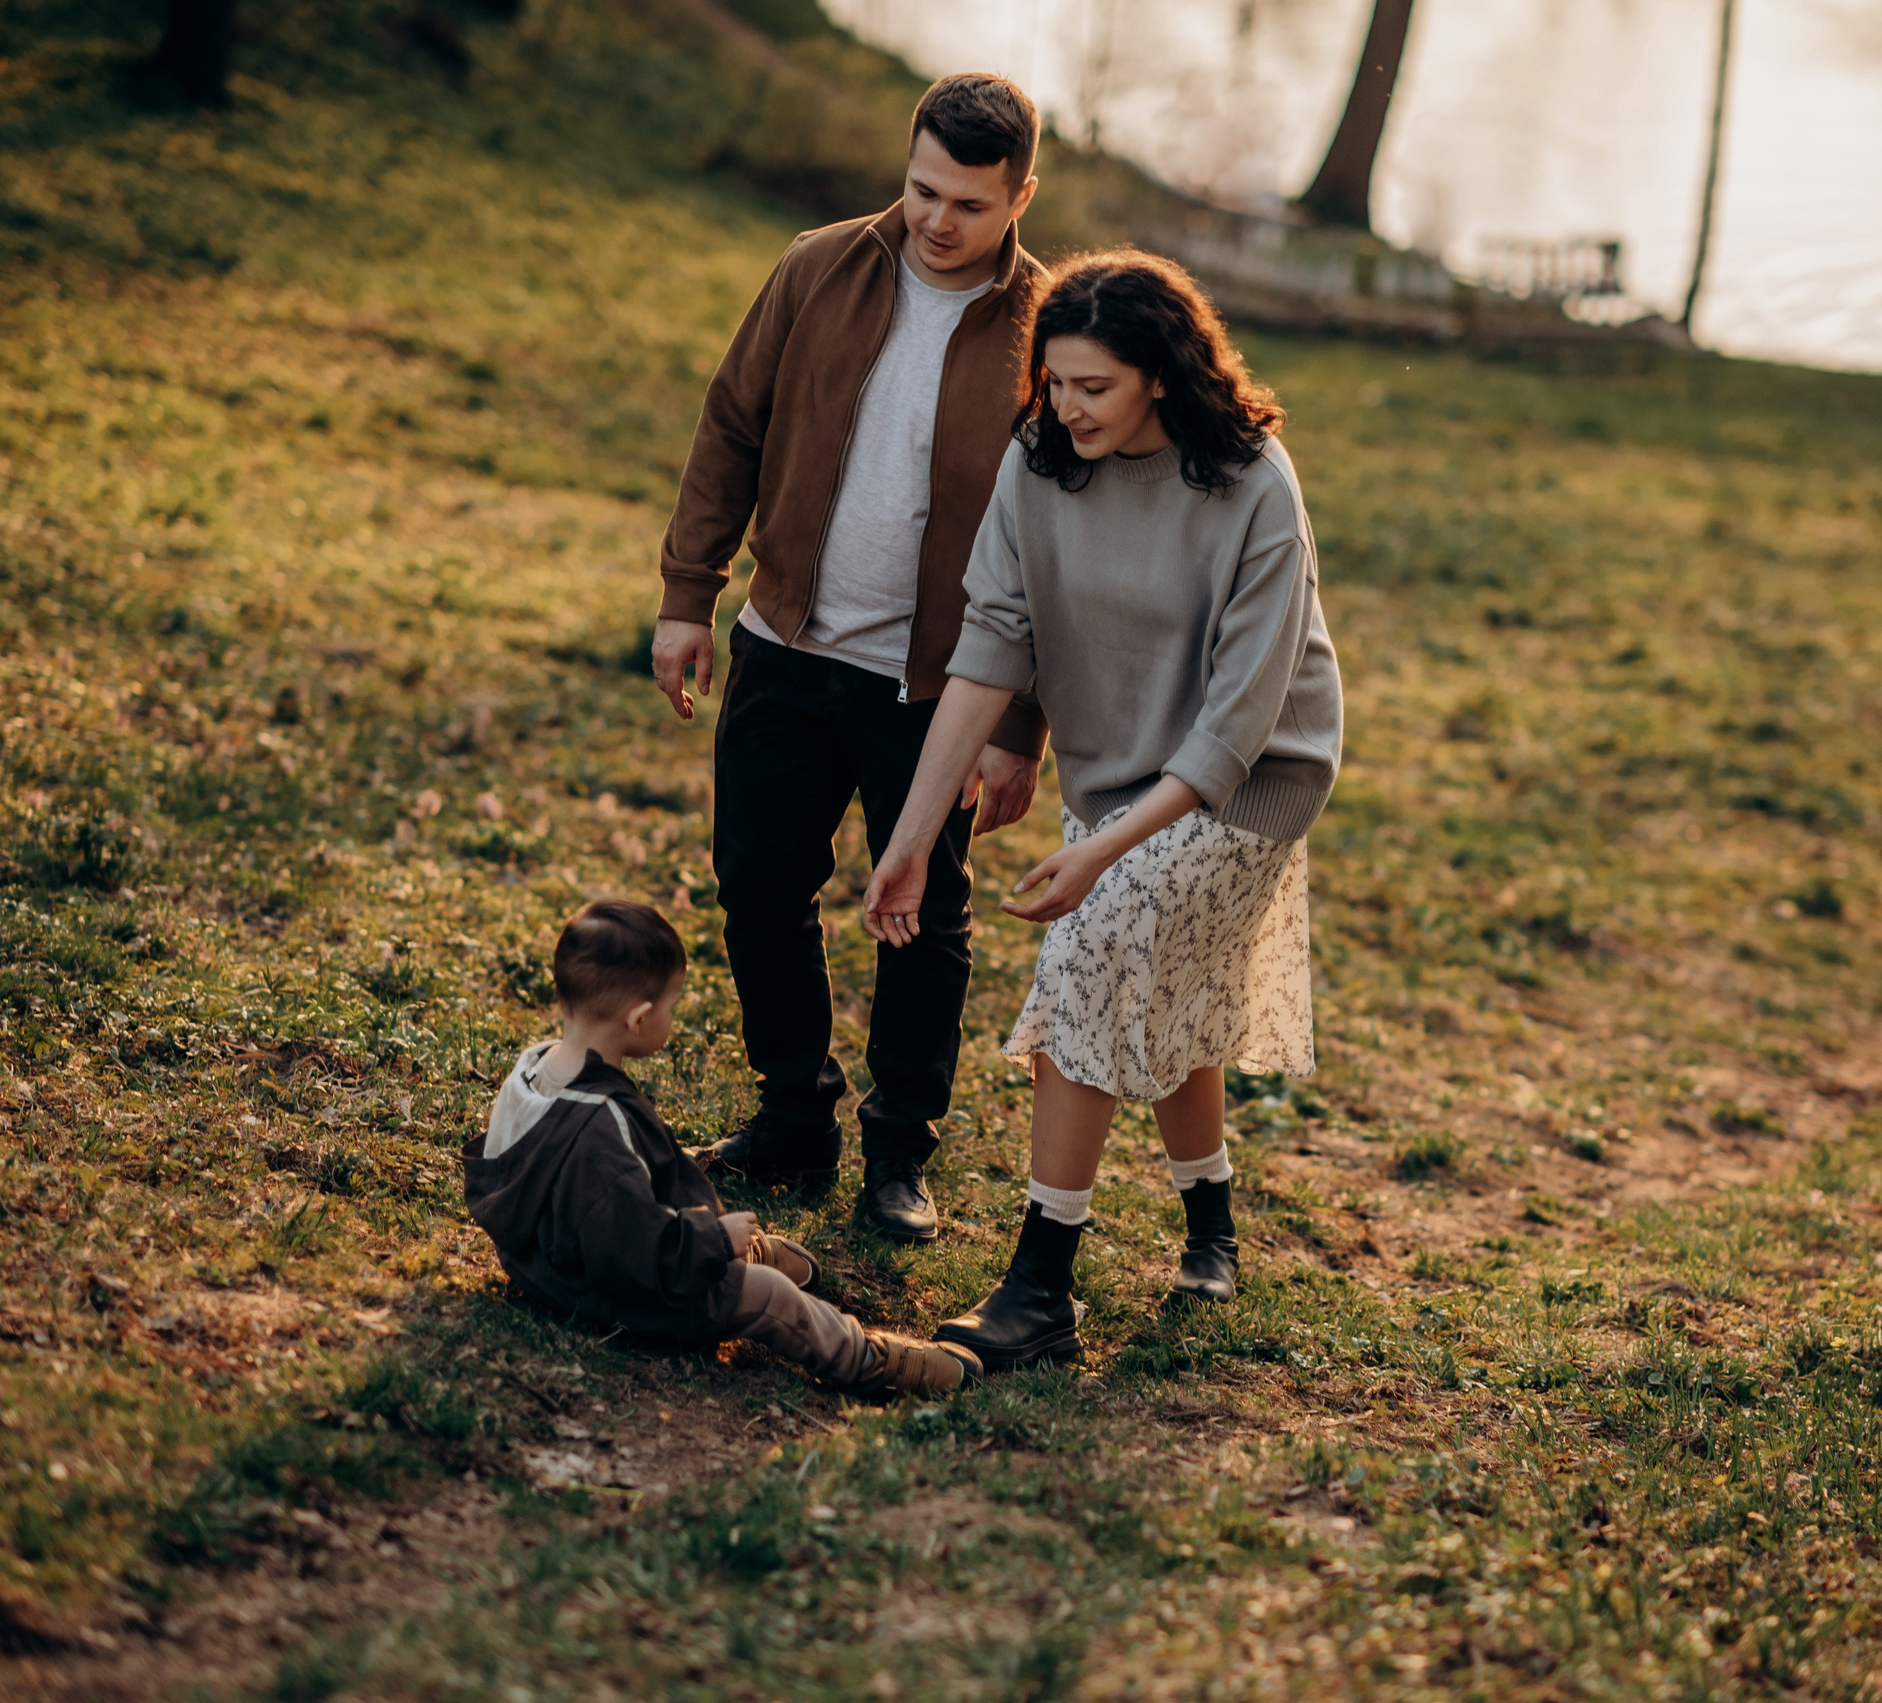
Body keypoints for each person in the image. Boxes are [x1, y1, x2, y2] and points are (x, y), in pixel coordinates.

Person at [862, 252, 1343, 1370]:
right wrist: (910, 838)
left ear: (1160, 378)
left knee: (1104, 942)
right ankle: (1211, 1222)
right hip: (1115, 766)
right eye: (1055, 381)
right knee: (1159, 972)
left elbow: (1232, 725)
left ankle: (1041, 1284)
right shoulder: (1039, 467)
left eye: (1092, 386)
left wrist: (1102, 858)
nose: (1064, 406)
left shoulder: (1251, 481)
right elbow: (988, 648)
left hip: (1253, 773)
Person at [650, 73, 1053, 1244]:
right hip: (783, 646)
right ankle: (792, 1112)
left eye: (969, 205)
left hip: (936, 688)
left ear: (1020, 194)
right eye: (922, 189)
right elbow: (731, 422)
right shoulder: (815, 266)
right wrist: (689, 593)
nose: (936, 220)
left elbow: (1055, 540)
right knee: (757, 885)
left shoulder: (1048, 325)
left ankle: (898, 1150)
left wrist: (1021, 729)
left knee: (924, 919)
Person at [461, 900, 980, 1397]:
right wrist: (709, 1240)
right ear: (639, 1019)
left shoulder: (534, 1067)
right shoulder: (603, 1130)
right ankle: (865, 1361)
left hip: (537, 1257)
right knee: (774, 1298)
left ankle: (740, 1253)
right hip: (597, 1287)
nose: (672, 1016)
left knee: (730, 1250)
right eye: (671, 1005)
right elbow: (636, 1253)